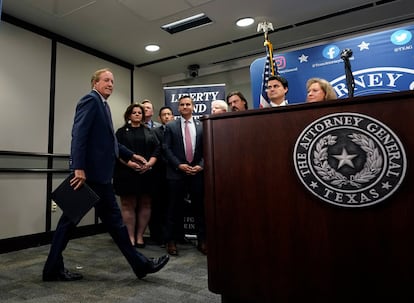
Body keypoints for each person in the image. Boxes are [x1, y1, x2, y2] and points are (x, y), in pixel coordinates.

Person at [42, 68, 169, 282]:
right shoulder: (90, 101)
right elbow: (78, 134)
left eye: (112, 81)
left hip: (99, 177)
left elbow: (110, 142)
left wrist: (132, 155)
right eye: (106, 80)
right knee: (77, 223)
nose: (111, 84)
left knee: (105, 224)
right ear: (95, 83)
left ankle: (139, 265)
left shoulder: (103, 105)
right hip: (89, 176)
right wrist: (77, 167)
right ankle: (140, 265)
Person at [163, 96, 206, 256]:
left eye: (188, 104)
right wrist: (178, 165)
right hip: (176, 173)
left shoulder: (202, 126)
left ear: (193, 107)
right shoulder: (171, 126)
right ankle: (171, 241)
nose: (185, 106)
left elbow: (207, 149)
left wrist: (200, 166)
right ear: (178, 108)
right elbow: (166, 148)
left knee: (199, 209)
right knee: (173, 208)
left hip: (196, 173)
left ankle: (202, 241)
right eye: (182, 105)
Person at [113, 103, 160, 248]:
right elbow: (116, 151)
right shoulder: (121, 132)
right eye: (134, 112)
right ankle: (130, 237)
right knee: (128, 204)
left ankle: (140, 236)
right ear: (128, 115)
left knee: (145, 203)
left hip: (146, 172)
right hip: (126, 172)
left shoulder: (150, 131)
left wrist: (149, 164)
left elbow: (157, 150)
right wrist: (129, 164)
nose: (138, 114)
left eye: (140, 112)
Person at [149, 106, 175, 245]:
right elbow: (157, 150)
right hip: (158, 174)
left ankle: (172, 236)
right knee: (157, 206)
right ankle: (157, 236)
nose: (166, 117)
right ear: (159, 118)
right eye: (164, 114)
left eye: (169, 114)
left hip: (174, 174)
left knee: (171, 206)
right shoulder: (153, 132)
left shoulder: (177, 130)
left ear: (173, 117)